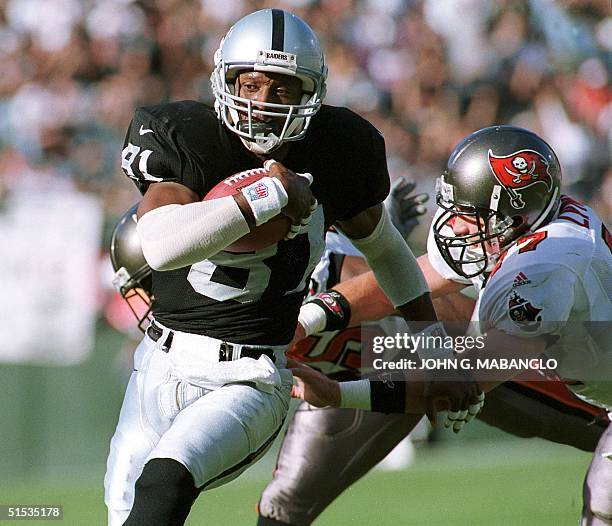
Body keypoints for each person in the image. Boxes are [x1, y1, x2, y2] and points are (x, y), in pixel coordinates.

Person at [104, 9, 482, 526]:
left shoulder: (338, 148)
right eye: (250, 83)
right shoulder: (186, 135)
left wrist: (434, 348)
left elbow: (389, 252)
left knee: (163, 485)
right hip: (158, 364)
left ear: (312, 92)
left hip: (250, 376)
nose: (261, 102)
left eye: (281, 89)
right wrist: (268, 193)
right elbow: (160, 246)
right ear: (224, 78)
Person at [288, 125, 612, 525]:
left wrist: (338, 393)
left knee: (603, 503)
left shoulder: (544, 270)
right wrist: (304, 320)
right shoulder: (537, 224)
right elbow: (401, 285)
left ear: (518, 212)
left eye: (471, 214)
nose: (455, 225)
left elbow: (457, 384)